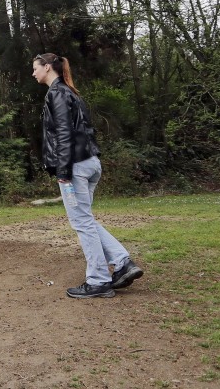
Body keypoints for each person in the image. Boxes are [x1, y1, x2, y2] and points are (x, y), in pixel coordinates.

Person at [34, 52, 144, 299]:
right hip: (90, 163)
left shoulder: (57, 93)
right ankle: (122, 262)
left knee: (82, 222)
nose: (33, 73)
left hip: (75, 167)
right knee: (85, 220)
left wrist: (62, 170)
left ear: (48, 67)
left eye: (35, 68)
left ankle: (98, 280)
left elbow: (64, 133)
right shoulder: (71, 92)